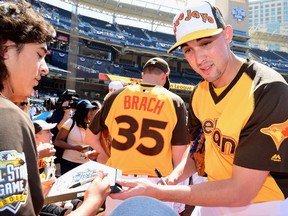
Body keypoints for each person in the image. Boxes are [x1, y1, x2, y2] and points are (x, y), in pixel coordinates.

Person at [110, 1, 288, 216]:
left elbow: (242, 191)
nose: (198, 59)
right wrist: (174, 177)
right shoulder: (200, 93)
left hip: (262, 206)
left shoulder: (267, 90)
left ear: (227, 35)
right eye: (188, 50)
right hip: (212, 197)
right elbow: (198, 149)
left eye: (205, 43)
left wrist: (161, 192)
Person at [0, 1, 110, 215]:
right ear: (6, 49)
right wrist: (92, 202)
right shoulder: (7, 115)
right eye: (39, 55)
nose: (45, 69)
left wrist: (35, 193)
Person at [86, 57, 190, 214]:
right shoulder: (174, 100)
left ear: (143, 75)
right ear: (165, 76)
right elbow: (179, 154)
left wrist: (107, 154)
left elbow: (90, 138)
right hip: (157, 180)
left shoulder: (116, 96)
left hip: (119, 177)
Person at [54, 99, 96, 175]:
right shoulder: (70, 122)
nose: (92, 112)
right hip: (69, 163)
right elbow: (58, 141)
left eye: (92, 110)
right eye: (89, 110)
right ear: (83, 111)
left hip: (85, 163)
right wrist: (73, 148)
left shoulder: (90, 124)